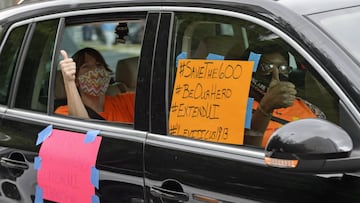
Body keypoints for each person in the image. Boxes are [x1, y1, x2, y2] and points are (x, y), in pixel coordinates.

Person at [227, 43, 324, 147]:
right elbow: (244, 153)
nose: (276, 74)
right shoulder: (231, 108)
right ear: (250, 72)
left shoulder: (307, 107)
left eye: (283, 68)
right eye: (267, 67)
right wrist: (265, 108)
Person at [55, 47, 135, 123]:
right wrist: (69, 81)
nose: (95, 70)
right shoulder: (64, 112)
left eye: (99, 64)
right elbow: (81, 131)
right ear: (76, 81)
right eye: (86, 66)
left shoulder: (127, 101)